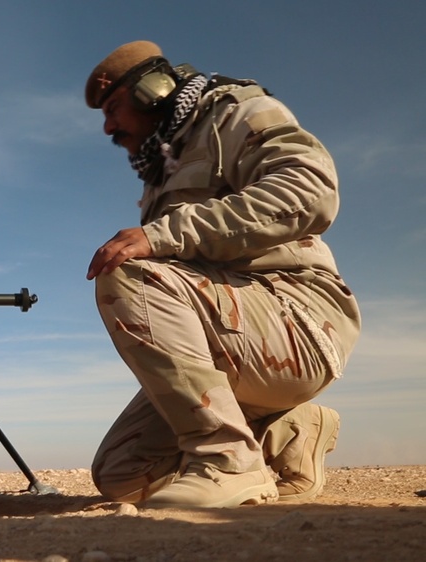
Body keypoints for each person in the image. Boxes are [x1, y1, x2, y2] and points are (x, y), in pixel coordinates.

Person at [83, 41, 360, 508]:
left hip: (296, 321)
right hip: (232, 336)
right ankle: (291, 433)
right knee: (122, 474)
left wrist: (167, 233)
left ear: (153, 90)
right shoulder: (163, 168)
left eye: (114, 108)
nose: (109, 126)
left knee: (127, 271)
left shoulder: (237, 114)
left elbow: (310, 191)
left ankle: (229, 461)